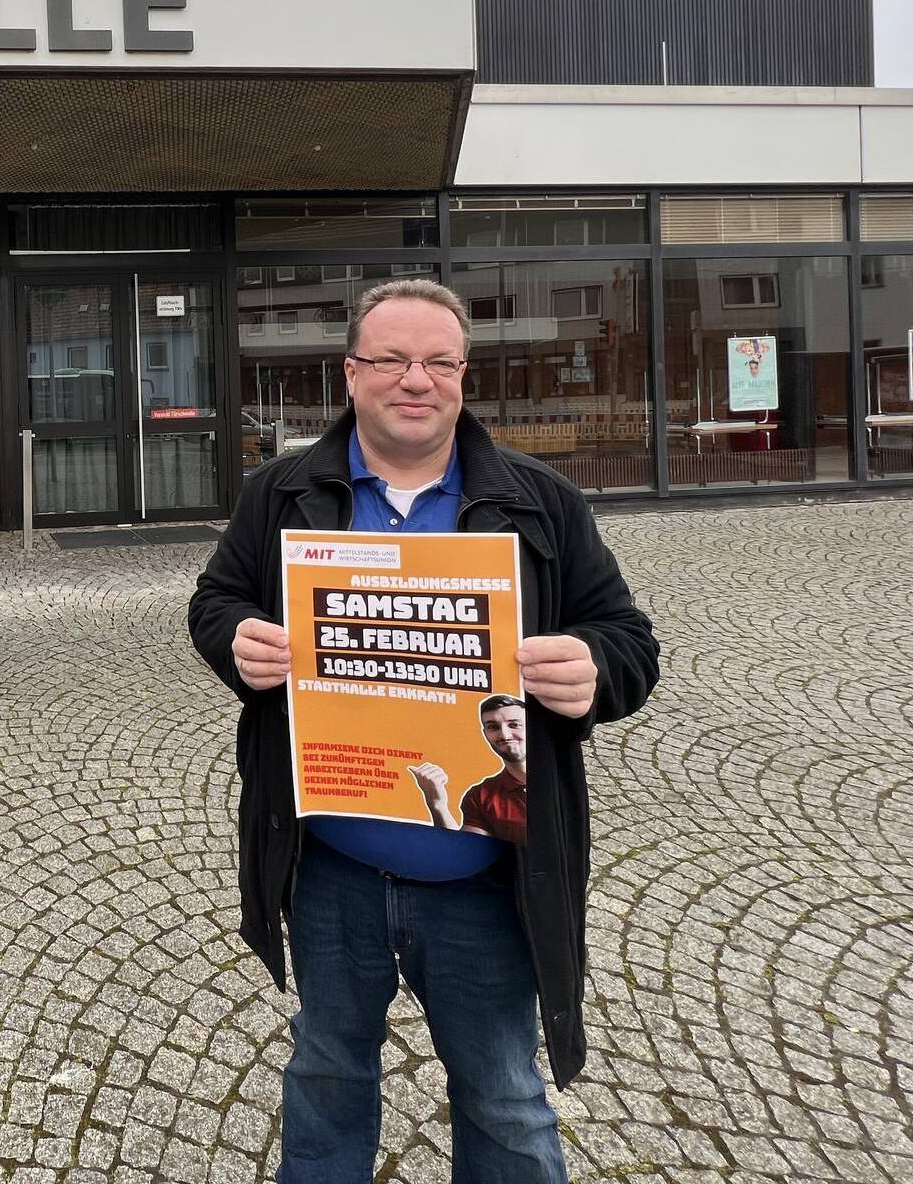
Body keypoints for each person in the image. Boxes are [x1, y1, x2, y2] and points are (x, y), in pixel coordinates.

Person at [188, 278, 660, 1184]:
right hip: (331, 871)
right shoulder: (281, 492)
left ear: (462, 374)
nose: (418, 379)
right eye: (393, 359)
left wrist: (593, 669)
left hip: (484, 880)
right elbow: (218, 599)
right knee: (326, 1078)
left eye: (440, 361)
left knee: (504, 1100)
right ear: (351, 373)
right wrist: (235, 642)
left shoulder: (542, 503)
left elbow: (629, 640)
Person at [409, 695, 529, 845]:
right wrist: (437, 804)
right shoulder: (480, 796)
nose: (504, 735)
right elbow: (462, 853)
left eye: (514, 725)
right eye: (493, 727)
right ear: (485, 733)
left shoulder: (564, 773)